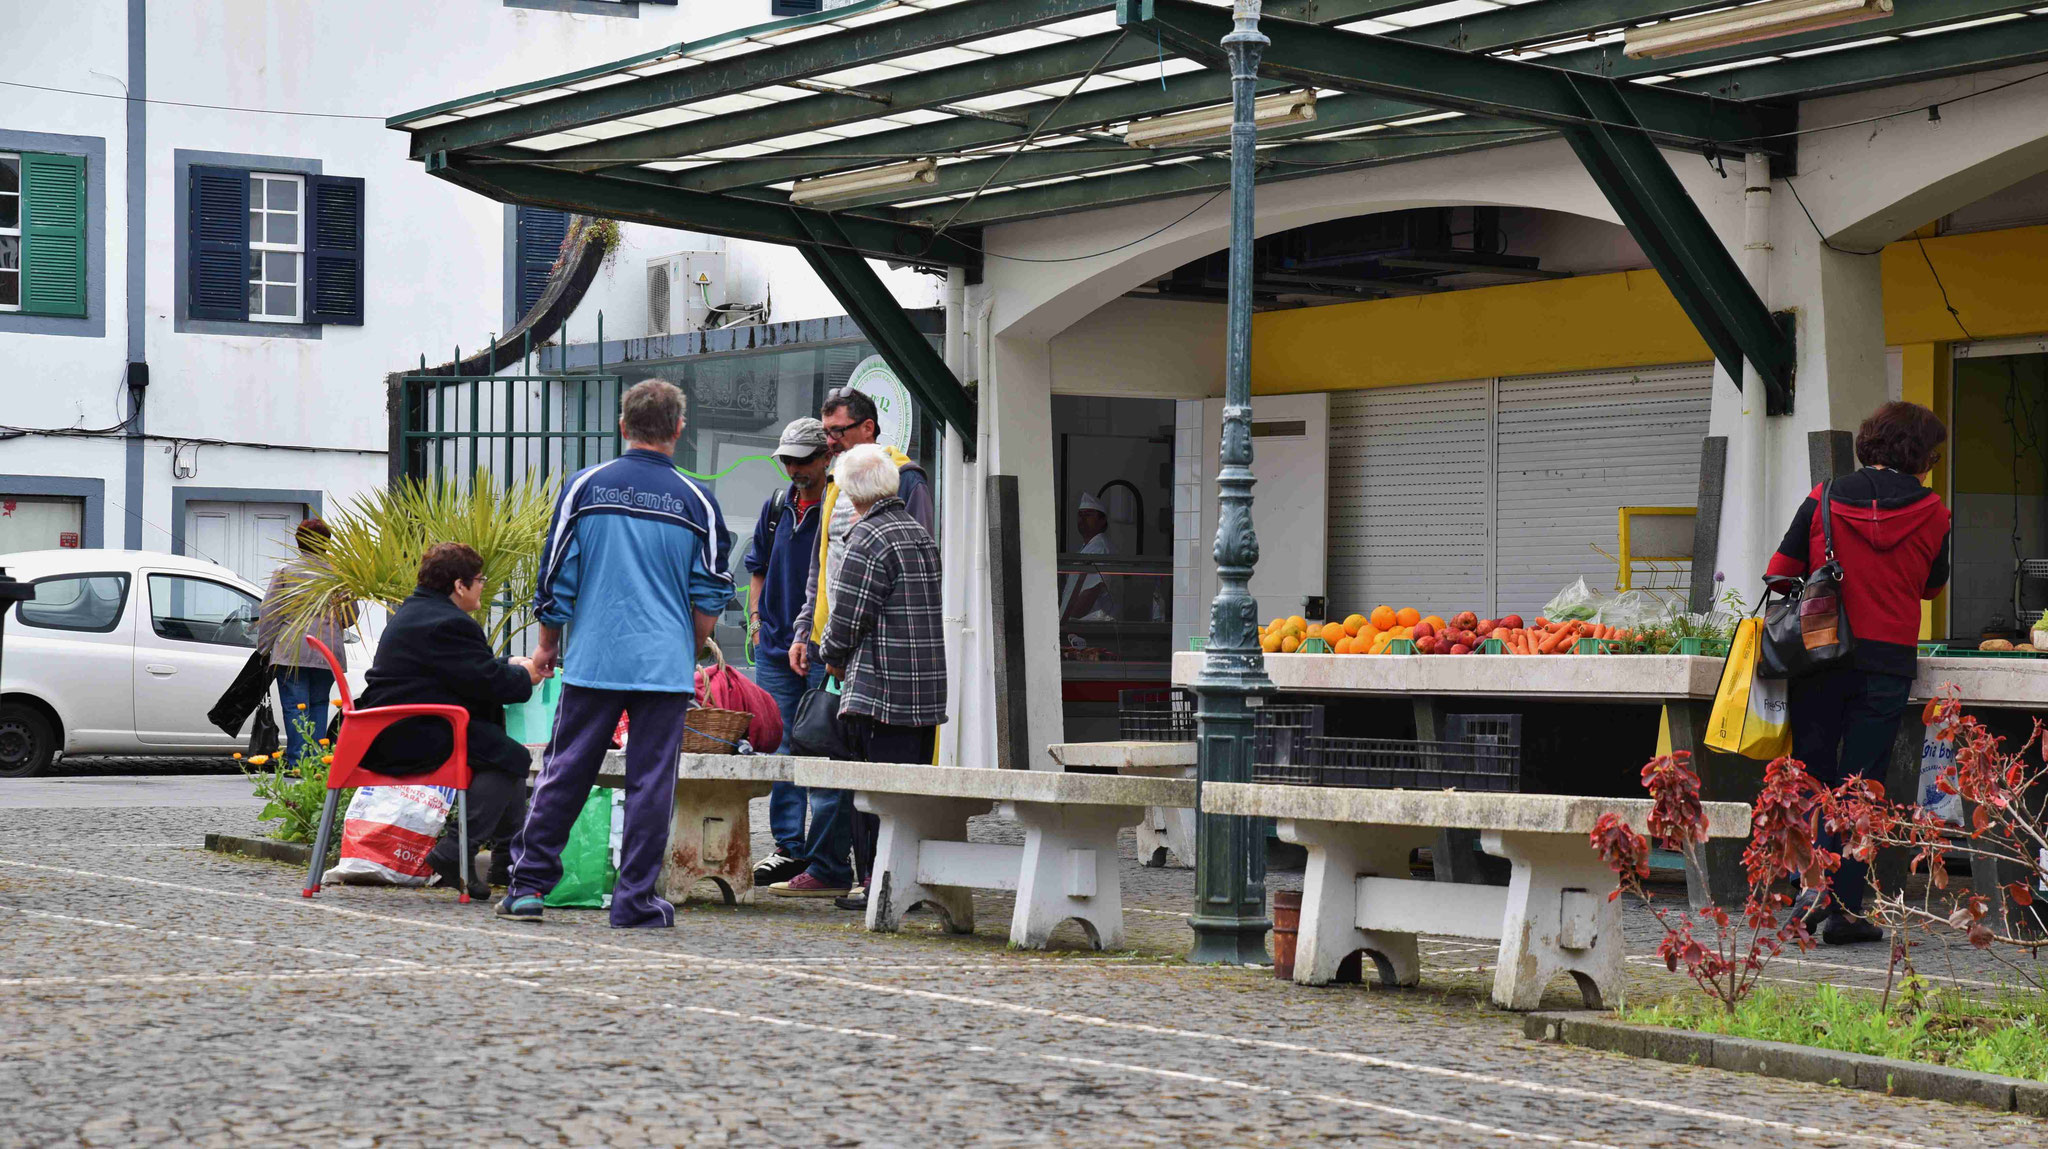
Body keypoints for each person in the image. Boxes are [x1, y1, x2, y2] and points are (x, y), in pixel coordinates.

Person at [500, 379, 734, 929]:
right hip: (664, 666)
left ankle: (530, 885)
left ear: (622, 425)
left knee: (565, 770)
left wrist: (549, 646)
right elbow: (710, 594)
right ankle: (634, 901)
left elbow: (556, 578)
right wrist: (688, 647)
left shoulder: (585, 488)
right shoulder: (698, 501)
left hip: (596, 658)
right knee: (652, 782)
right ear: (679, 429)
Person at [1765, 400, 1951, 946]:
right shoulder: (1935, 511)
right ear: (1919, 455)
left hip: (1820, 653)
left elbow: (1779, 575)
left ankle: (1810, 885)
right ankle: (1843, 907)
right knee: (1861, 782)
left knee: (1814, 773)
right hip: (1888, 661)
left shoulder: (1822, 497)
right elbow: (1930, 588)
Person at [771, 444, 946, 901]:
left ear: (851, 491)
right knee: (909, 796)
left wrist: (829, 652)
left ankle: (877, 882)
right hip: (925, 691)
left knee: (871, 796)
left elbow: (847, 618)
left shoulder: (867, 538)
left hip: (878, 688)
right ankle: (909, 878)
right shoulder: (918, 533)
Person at [353, 543, 544, 899]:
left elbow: (462, 671)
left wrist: (508, 664)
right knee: (510, 758)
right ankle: (456, 851)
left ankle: (505, 861)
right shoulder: (451, 623)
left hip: (390, 729)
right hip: (412, 734)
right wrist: (525, 676)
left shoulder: (417, 612)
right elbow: (486, 683)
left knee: (505, 753)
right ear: (459, 585)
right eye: (479, 580)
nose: (483, 585)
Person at [745, 417, 833, 886]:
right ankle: (788, 847)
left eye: (803, 460)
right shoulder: (777, 505)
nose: (795, 469)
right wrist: (757, 621)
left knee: (819, 744)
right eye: (788, 460)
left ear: (826, 459)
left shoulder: (838, 505)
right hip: (775, 645)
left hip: (821, 646)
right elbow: (756, 566)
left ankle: (823, 855)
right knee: (779, 744)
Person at [255, 518, 356, 765]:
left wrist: (264, 649)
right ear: (327, 544)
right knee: (320, 704)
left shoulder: (285, 572)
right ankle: (317, 762)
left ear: (298, 542)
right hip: (327, 652)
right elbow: (350, 616)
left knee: (295, 707)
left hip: (291, 651)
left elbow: (270, 613)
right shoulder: (339, 575)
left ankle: (299, 763)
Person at [1060, 492, 1115, 622]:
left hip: (1089, 626)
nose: (1082, 519)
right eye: (1080, 515)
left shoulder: (1099, 549)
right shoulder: (1086, 548)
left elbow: (1090, 593)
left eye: (1089, 515)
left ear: (1102, 521)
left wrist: (1067, 622)